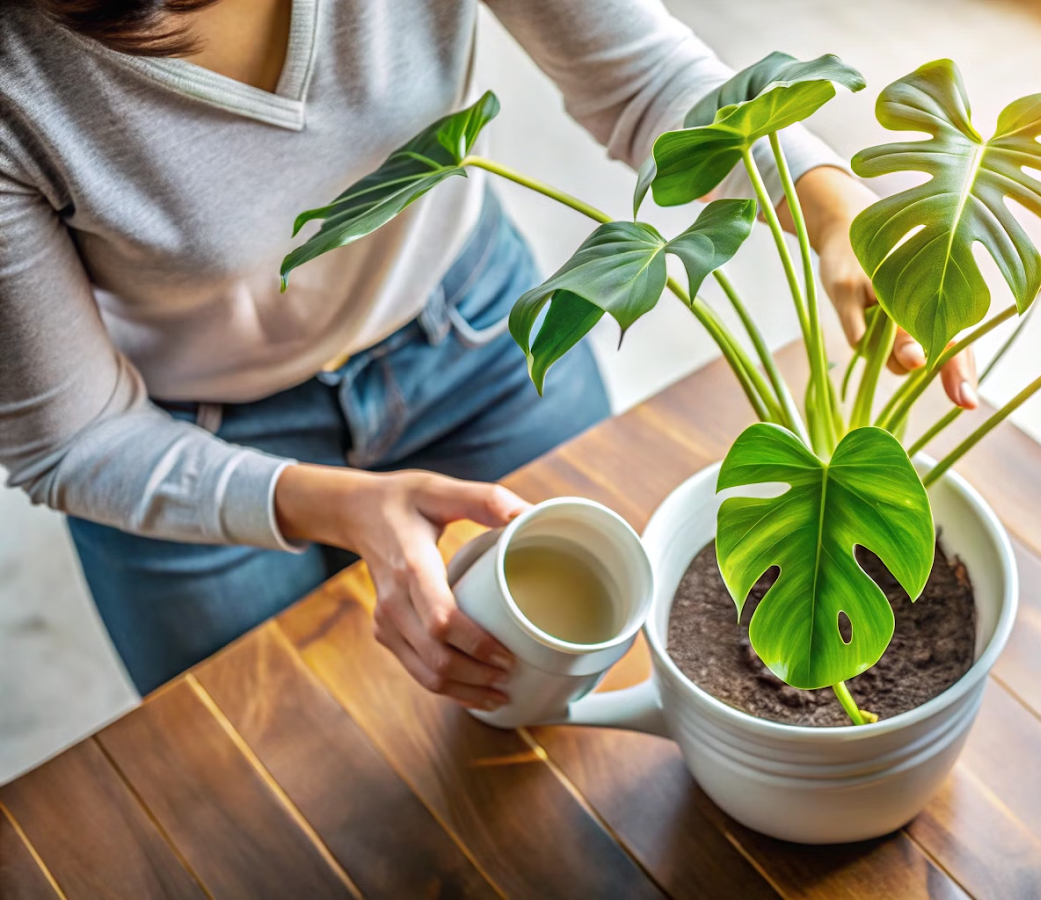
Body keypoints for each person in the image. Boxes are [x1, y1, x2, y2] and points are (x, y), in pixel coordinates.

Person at [0, 0, 978, 711]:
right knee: (270, 760)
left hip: (471, 335)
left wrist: (836, 207)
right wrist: (342, 507)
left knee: (567, 674)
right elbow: (70, 439)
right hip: (183, 434)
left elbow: (643, 83)